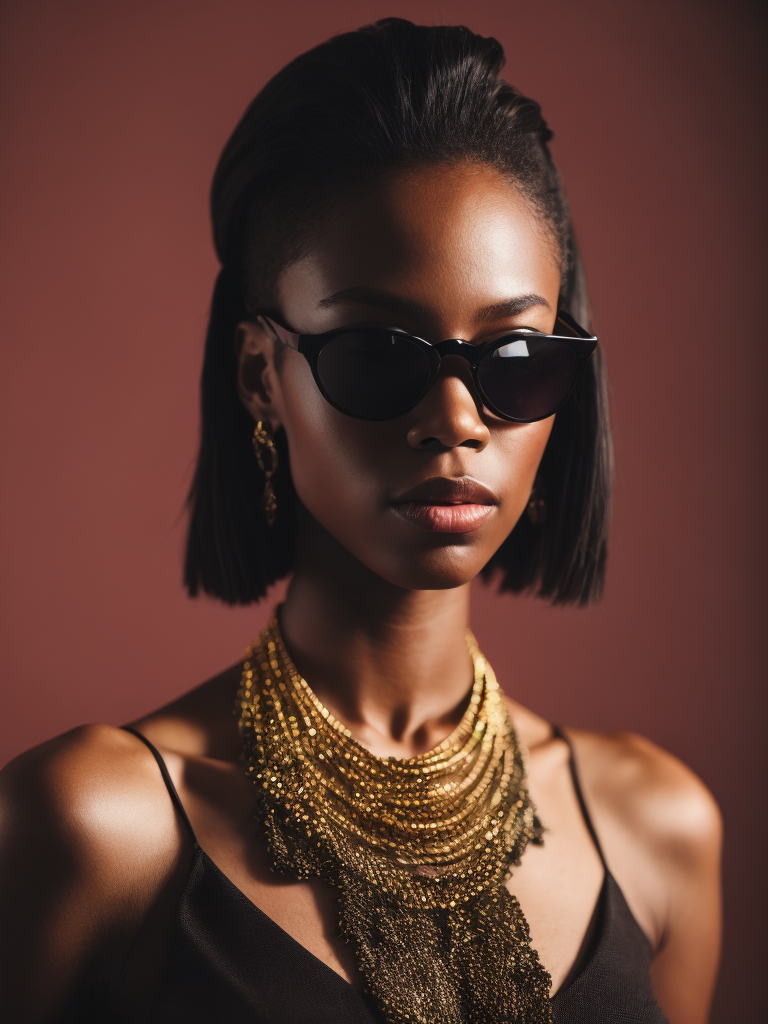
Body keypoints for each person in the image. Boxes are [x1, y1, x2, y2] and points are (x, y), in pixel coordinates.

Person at [0, 18, 721, 1024]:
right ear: (261, 374)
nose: (457, 420)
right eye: (379, 354)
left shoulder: (657, 825)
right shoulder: (99, 825)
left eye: (516, 360)